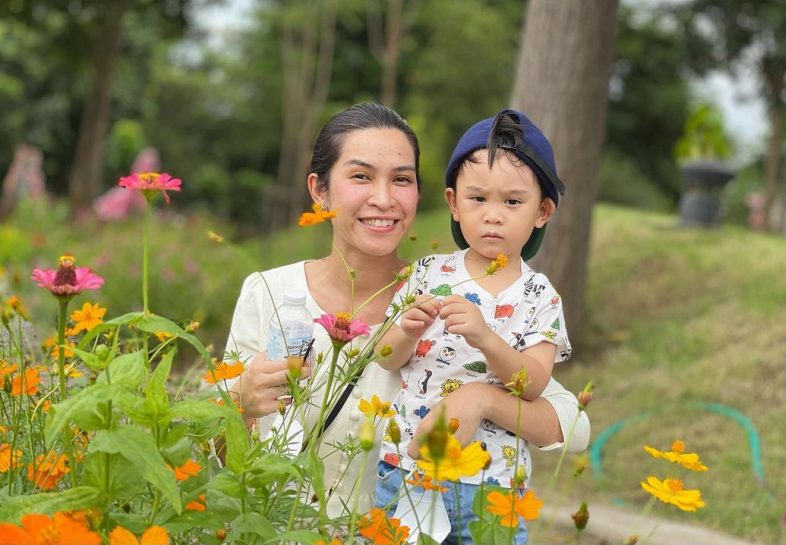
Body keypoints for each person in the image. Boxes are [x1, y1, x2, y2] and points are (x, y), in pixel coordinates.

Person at [223, 103, 590, 521]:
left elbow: (572, 425)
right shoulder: (270, 294)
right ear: (319, 190)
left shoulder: (447, 297)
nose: (383, 198)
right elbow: (209, 447)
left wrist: (480, 399)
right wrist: (239, 402)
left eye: (401, 179)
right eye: (361, 176)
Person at [373, 109, 571, 544]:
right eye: (478, 199)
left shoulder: (540, 296)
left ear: (543, 211)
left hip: (492, 484)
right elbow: (385, 358)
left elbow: (532, 384)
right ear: (453, 203)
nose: (493, 215)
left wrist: (485, 336)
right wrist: (405, 329)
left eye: (512, 202)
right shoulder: (427, 273)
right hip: (409, 470)